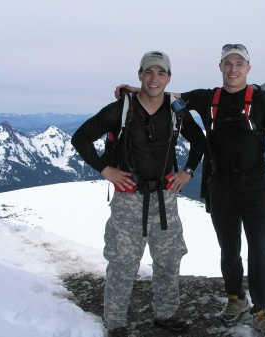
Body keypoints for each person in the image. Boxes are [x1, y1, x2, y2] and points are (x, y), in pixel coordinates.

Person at [115, 44, 265, 337]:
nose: (233, 69)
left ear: (248, 68)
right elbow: (171, 96)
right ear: (220, 66)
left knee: (260, 248)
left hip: (256, 185)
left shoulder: (261, 102)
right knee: (229, 247)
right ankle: (236, 298)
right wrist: (136, 88)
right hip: (220, 184)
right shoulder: (208, 98)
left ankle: (261, 310)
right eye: (228, 63)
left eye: (239, 64)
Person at [72, 51, 206, 337]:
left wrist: (188, 172)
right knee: (123, 261)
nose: (154, 78)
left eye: (160, 73)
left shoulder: (176, 110)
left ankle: (166, 314)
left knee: (169, 259)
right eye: (149, 72)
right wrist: (105, 169)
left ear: (169, 78)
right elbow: (80, 138)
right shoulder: (120, 110)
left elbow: (200, 142)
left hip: (165, 197)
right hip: (129, 198)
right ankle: (116, 321)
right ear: (140, 75)